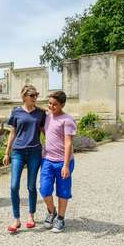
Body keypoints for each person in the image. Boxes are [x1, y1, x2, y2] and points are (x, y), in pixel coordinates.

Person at [3, 85, 46, 233]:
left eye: (36, 95)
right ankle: (16, 219)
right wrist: (7, 152)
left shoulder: (41, 113)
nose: (35, 98)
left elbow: (45, 131)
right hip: (18, 152)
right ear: (25, 96)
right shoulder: (16, 111)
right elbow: (12, 132)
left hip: (35, 152)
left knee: (31, 186)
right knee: (14, 186)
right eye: (32, 95)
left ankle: (31, 215)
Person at [40, 90, 77, 233]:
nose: (51, 106)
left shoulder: (67, 120)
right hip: (47, 159)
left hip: (63, 161)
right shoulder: (48, 117)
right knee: (44, 189)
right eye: (49, 103)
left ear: (62, 104)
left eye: (54, 104)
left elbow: (68, 143)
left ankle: (60, 218)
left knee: (63, 191)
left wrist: (66, 165)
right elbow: (46, 131)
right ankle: (51, 211)